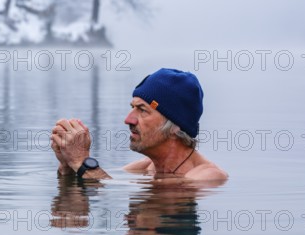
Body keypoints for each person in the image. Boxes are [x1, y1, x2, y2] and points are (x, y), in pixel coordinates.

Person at [51, 68, 228, 182]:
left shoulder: (208, 176)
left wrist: (80, 160)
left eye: (142, 110)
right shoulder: (144, 168)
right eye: (132, 108)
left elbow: (104, 189)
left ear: (175, 127)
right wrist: (67, 163)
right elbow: (104, 186)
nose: (128, 120)